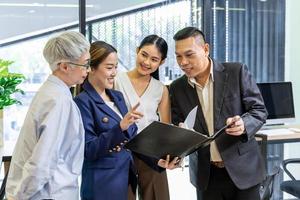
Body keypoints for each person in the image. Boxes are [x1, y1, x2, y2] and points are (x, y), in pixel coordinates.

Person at [169, 27, 268, 200]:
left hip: (244, 170)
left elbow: (259, 111)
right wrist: (174, 156)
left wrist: (244, 124)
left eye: (189, 54)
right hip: (206, 176)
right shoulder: (177, 88)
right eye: (178, 56)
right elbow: (179, 129)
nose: (183, 62)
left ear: (206, 49)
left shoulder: (236, 72)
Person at [6, 31, 90, 200]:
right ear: (64, 66)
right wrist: (19, 196)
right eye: (85, 65)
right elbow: (43, 160)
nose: (88, 70)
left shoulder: (52, 93)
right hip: (48, 193)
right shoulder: (57, 100)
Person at [74, 41, 144, 200]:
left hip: (126, 178)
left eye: (116, 67)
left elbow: (132, 138)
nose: (114, 73)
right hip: (101, 185)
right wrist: (120, 127)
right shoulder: (82, 102)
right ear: (91, 68)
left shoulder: (117, 97)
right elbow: (88, 149)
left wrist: (157, 160)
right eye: (109, 67)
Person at [114, 34, 171, 200]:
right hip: (121, 151)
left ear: (161, 62)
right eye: (144, 55)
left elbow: (166, 128)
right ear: (137, 51)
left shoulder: (161, 89)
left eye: (154, 59)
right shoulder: (116, 80)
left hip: (151, 154)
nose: (147, 62)